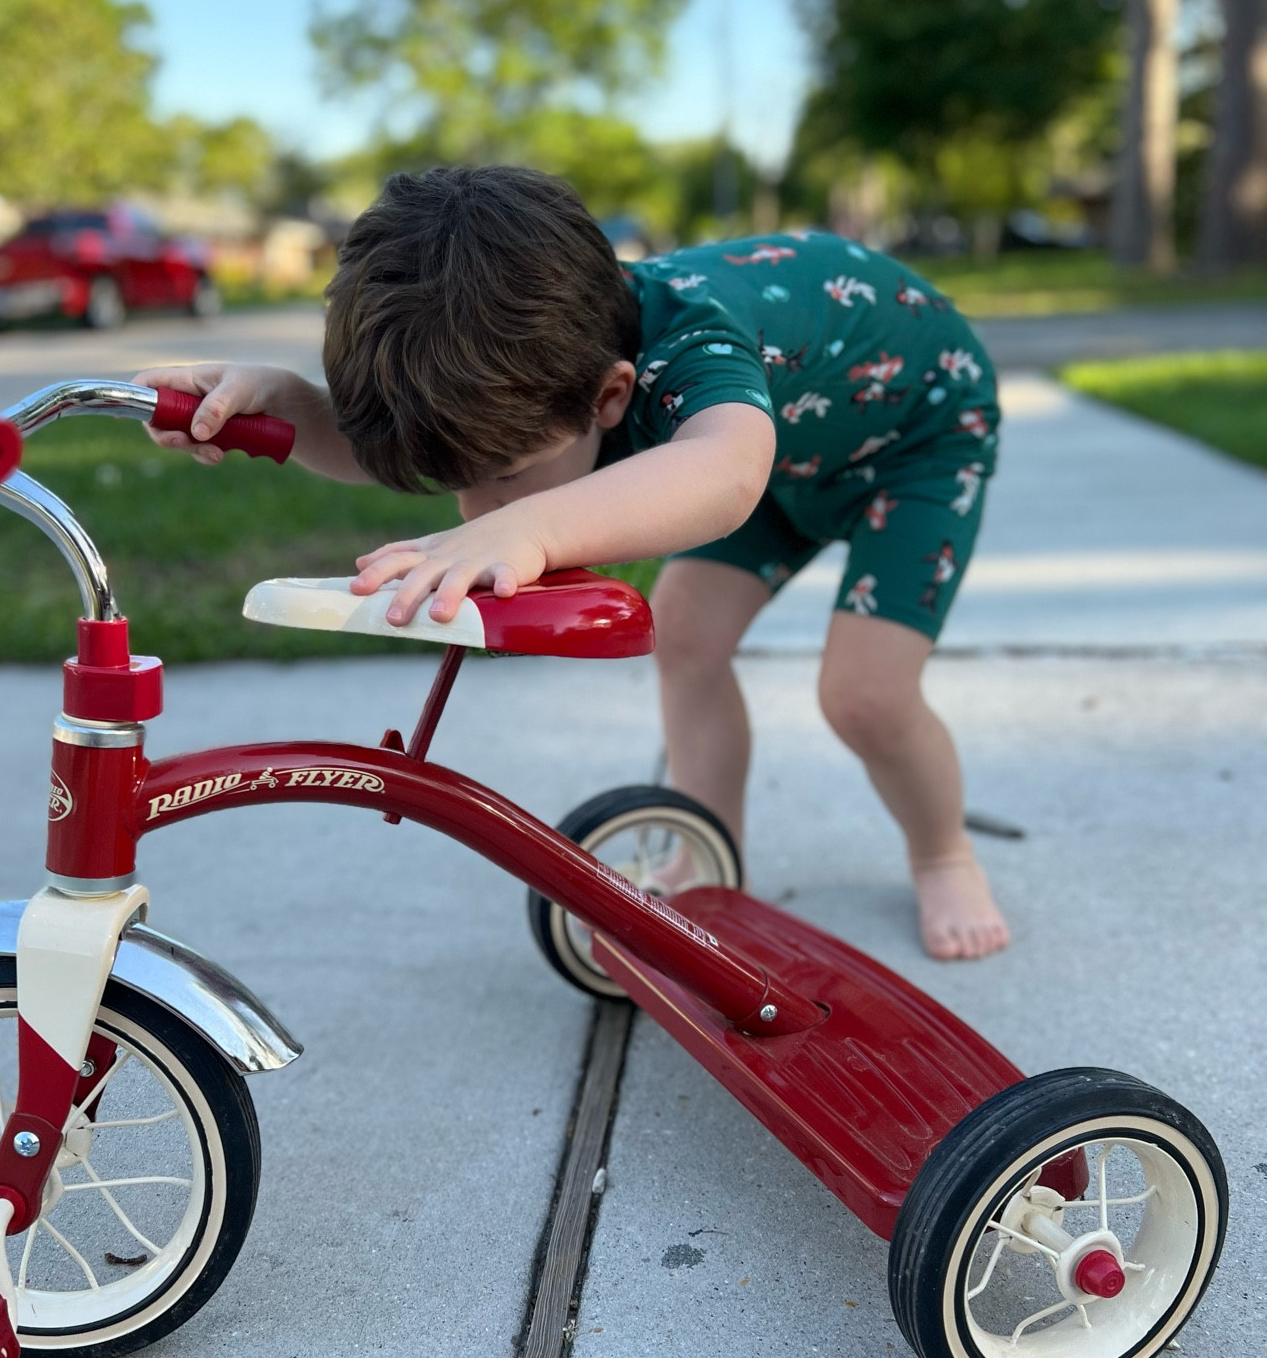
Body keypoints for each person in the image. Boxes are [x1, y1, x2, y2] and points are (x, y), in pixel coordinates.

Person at [139, 165, 1008, 961]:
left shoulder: (691, 350)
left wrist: (537, 531)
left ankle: (943, 852)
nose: (478, 515)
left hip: (913, 440)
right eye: (458, 487)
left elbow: (727, 471)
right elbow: (402, 447)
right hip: (790, 443)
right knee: (690, 642)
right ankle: (708, 857)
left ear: (612, 397)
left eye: (505, 481)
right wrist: (285, 406)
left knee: (865, 694)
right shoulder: (548, 372)